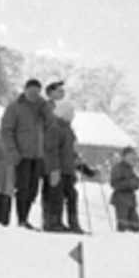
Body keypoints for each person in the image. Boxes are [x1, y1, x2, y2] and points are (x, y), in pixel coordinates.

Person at [0, 78, 51, 229]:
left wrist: (46, 108)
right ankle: (21, 219)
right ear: (25, 90)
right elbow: (6, 130)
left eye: (37, 92)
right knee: (23, 188)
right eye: (31, 91)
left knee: (33, 190)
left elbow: (51, 124)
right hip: (22, 155)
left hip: (38, 155)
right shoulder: (15, 108)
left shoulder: (42, 108)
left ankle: (26, 217)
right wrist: (12, 150)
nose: (34, 95)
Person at [43, 99, 82, 233]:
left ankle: (73, 223)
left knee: (72, 196)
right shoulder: (54, 128)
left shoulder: (69, 130)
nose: (72, 115)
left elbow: (70, 151)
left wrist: (78, 164)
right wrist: (54, 169)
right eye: (70, 112)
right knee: (56, 197)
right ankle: (53, 223)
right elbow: (52, 150)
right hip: (57, 170)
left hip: (68, 170)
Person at [109, 147, 139, 232]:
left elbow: (136, 181)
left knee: (136, 225)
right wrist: (129, 183)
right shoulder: (117, 168)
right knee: (123, 225)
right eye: (129, 155)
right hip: (121, 199)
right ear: (124, 156)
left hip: (131, 199)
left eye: (133, 155)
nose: (132, 157)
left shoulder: (130, 168)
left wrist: (137, 183)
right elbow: (114, 184)